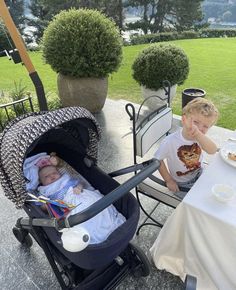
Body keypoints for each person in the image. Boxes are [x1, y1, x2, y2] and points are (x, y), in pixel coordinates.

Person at [38, 165, 126, 244]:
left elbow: (80, 183)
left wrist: (78, 187)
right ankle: (95, 232)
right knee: (80, 217)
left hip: (81, 195)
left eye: (54, 173)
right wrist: (48, 205)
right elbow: (42, 205)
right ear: (41, 182)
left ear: (60, 173)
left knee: (96, 204)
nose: (52, 176)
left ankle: (107, 223)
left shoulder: (66, 179)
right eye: (46, 177)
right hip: (68, 204)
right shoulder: (45, 190)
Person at [154, 97, 219, 198]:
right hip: (181, 184)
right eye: (196, 122)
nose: (199, 128)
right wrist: (169, 180)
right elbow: (157, 160)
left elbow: (213, 150)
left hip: (199, 174)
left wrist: (199, 135)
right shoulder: (170, 141)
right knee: (196, 204)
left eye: (206, 126)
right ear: (184, 119)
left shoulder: (199, 137)